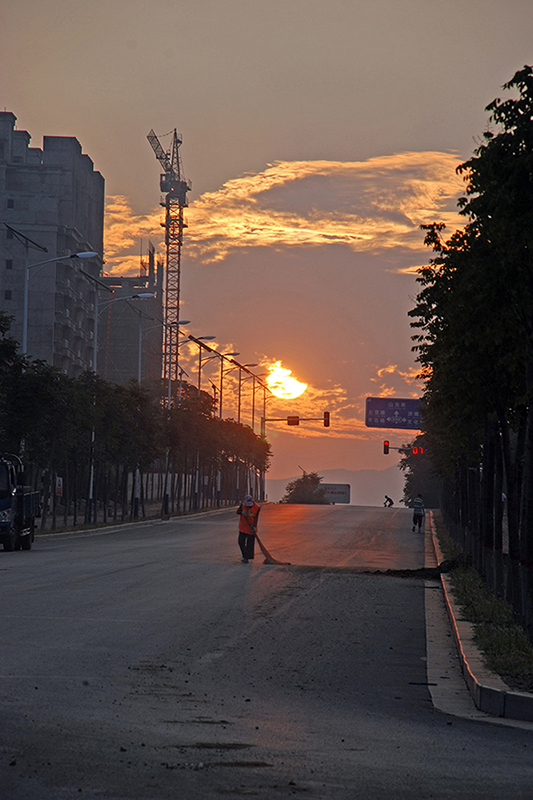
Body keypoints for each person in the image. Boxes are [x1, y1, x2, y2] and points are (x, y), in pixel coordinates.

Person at [237, 494, 261, 563]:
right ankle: (245, 555)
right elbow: (237, 512)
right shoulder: (243, 505)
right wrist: (242, 512)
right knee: (241, 542)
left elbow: (256, 518)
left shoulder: (257, 508)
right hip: (243, 528)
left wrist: (254, 527)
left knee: (249, 544)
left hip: (251, 529)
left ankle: (247, 558)